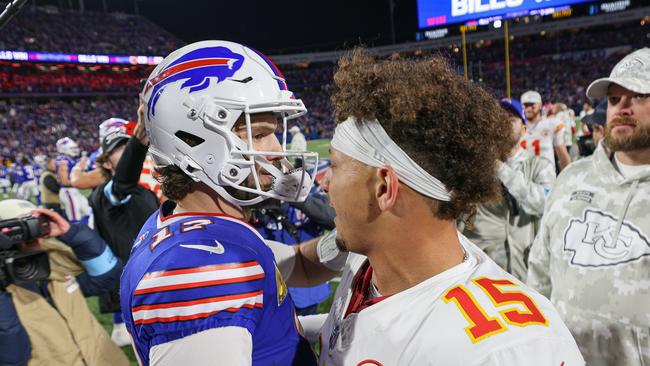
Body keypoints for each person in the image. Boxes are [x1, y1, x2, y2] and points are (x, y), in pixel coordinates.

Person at [275, 51, 584, 365]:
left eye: (337, 166)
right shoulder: (368, 249)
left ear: (383, 188)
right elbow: (307, 266)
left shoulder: (508, 349)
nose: (324, 182)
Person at [120, 40, 319, 365]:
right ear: (194, 142)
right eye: (258, 134)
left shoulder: (191, 226)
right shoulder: (198, 273)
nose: (277, 152)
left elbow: (294, 266)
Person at [527, 47, 650, 366]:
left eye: (637, 96)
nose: (621, 107)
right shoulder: (571, 178)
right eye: (613, 99)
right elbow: (539, 275)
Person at [0, 199, 130, 366]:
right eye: (21, 229)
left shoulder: (56, 260)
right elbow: (13, 356)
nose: (33, 233)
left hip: (103, 358)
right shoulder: (6, 290)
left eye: (36, 224)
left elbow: (108, 276)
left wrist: (71, 233)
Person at [463, 98, 555, 281]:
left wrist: (501, 170)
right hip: (482, 275)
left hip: (526, 275)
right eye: (499, 118)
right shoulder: (474, 167)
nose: (503, 123)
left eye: (511, 119)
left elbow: (544, 204)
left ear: (524, 130)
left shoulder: (539, 166)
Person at [90, 114, 159, 346]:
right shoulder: (104, 194)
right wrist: (137, 142)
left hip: (158, 280)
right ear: (107, 163)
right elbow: (123, 184)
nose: (126, 148)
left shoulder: (145, 190)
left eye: (126, 142)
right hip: (136, 289)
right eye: (119, 147)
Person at [520, 90, 572, 171]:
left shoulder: (551, 124)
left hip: (546, 178)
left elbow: (563, 156)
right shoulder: (517, 127)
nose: (528, 108)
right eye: (525, 105)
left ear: (540, 105)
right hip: (523, 178)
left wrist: (567, 178)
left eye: (532, 105)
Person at [54, 137, 92, 223]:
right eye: (72, 148)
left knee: (89, 211)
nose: (75, 150)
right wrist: (81, 182)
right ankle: (77, 234)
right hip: (68, 191)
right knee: (75, 218)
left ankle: (86, 230)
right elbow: (64, 181)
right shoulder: (63, 160)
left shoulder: (69, 159)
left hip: (73, 191)